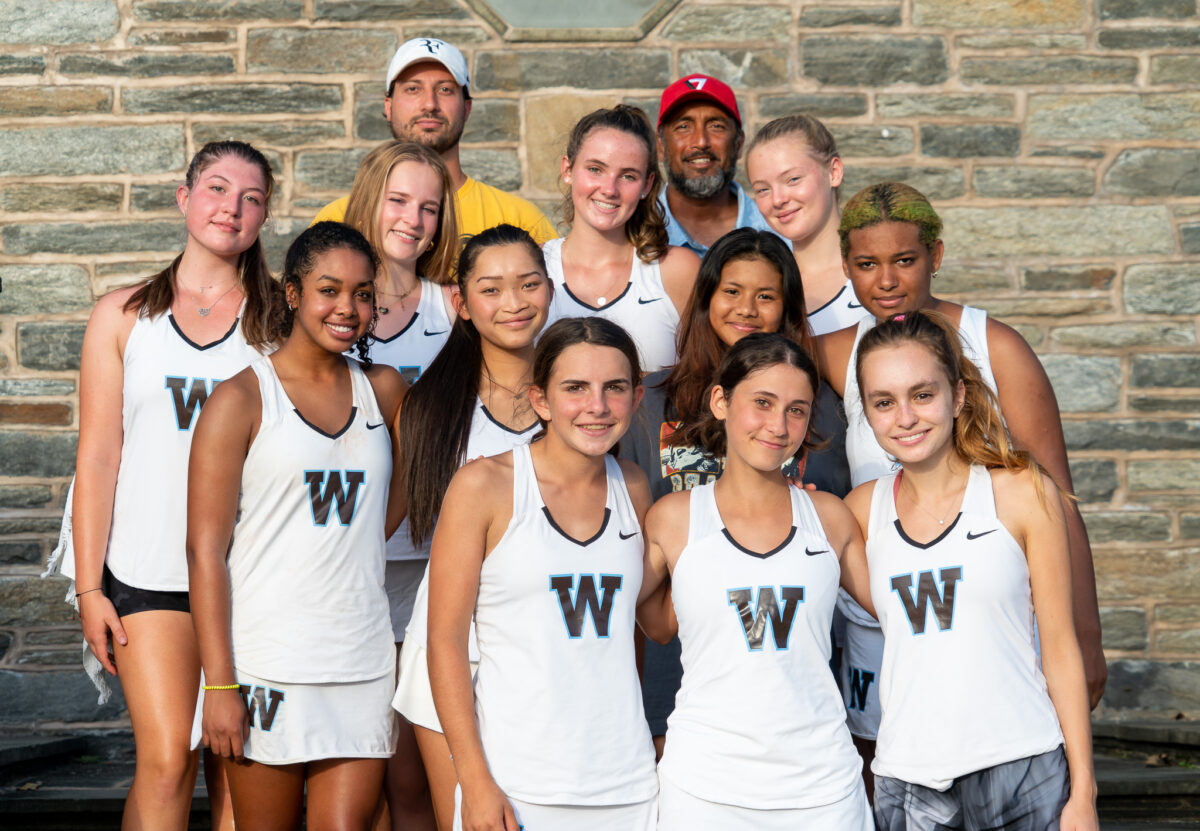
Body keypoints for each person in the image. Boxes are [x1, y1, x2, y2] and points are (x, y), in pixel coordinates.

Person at [817, 182, 1106, 784]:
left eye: (905, 260)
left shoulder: (996, 346)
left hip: (990, 624)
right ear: (846, 267)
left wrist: (1085, 634)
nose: (887, 280)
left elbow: (1059, 502)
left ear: (936, 257)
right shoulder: (838, 353)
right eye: (867, 264)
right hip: (892, 630)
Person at [66, 140, 277, 831]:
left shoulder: (279, 321)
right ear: (185, 199)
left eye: (251, 198)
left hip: (251, 572)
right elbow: (98, 456)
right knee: (166, 761)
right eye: (217, 189)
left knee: (237, 772)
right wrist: (91, 585)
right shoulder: (123, 315)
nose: (232, 207)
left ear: (264, 216)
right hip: (148, 573)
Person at [187, 222, 407, 830]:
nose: (348, 308)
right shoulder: (241, 398)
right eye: (329, 290)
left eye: (364, 294)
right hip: (266, 665)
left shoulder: (383, 391)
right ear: (291, 293)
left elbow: (407, 489)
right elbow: (204, 551)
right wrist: (220, 687)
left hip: (360, 659)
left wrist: (350, 538)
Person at [846, 311, 1098, 830]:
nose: (905, 417)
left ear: (957, 396)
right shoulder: (857, 514)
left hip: (1023, 770)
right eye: (884, 402)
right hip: (908, 783)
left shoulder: (1021, 491)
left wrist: (1084, 792)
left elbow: (1060, 646)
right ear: (868, 414)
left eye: (922, 394)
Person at [620, 227, 850, 752]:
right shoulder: (648, 402)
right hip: (673, 673)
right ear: (705, 299)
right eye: (732, 291)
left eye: (766, 295)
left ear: (786, 309)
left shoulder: (819, 408)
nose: (747, 308)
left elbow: (835, 529)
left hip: (791, 681)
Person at [429, 317, 658, 831]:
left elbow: (638, 629)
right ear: (540, 399)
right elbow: (443, 643)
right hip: (518, 783)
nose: (596, 406)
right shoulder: (483, 486)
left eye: (614, 388)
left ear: (637, 396)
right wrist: (476, 781)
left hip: (626, 782)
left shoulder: (635, 488)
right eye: (575, 388)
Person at [639, 333, 874, 829]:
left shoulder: (829, 518)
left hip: (823, 790)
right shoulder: (673, 520)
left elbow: (897, 615)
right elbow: (657, 626)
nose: (778, 425)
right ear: (721, 401)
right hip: (704, 790)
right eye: (762, 403)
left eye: (796, 409)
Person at [391, 224, 552, 831]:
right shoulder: (431, 405)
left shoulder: (578, 395)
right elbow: (389, 525)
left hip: (552, 644)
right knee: (469, 816)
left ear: (550, 287)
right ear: (460, 303)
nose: (512, 302)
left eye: (528, 283)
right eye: (491, 288)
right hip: (459, 650)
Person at [342, 139, 459, 829]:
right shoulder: (327, 304)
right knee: (363, 768)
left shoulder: (453, 307)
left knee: (412, 772)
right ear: (369, 199)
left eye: (429, 207)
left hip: (430, 564)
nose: (413, 220)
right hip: (351, 562)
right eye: (398, 201)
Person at [313, 37, 555, 245]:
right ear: (388, 106)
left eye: (445, 90)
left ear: (467, 107)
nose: (429, 104)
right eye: (413, 89)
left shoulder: (521, 220)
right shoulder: (340, 219)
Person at [544, 104, 701, 373]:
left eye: (628, 176)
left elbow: (705, 377)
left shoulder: (678, 270)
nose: (609, 189)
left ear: (647, 185)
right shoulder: (533, 268)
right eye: (595, 169)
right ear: (568, 169)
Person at [746, 114, 870, 336]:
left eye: (793, 179)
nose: (778, 199)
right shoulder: (758, 281)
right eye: (763, 189)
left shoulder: (880, 275)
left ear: (834, 172)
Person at [655, 74, 783, 255]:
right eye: (683, 126)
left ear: (738, 144)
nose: (700, 141)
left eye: (716, 126)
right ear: (661, 146)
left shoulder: (780, 229)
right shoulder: (630, 233)